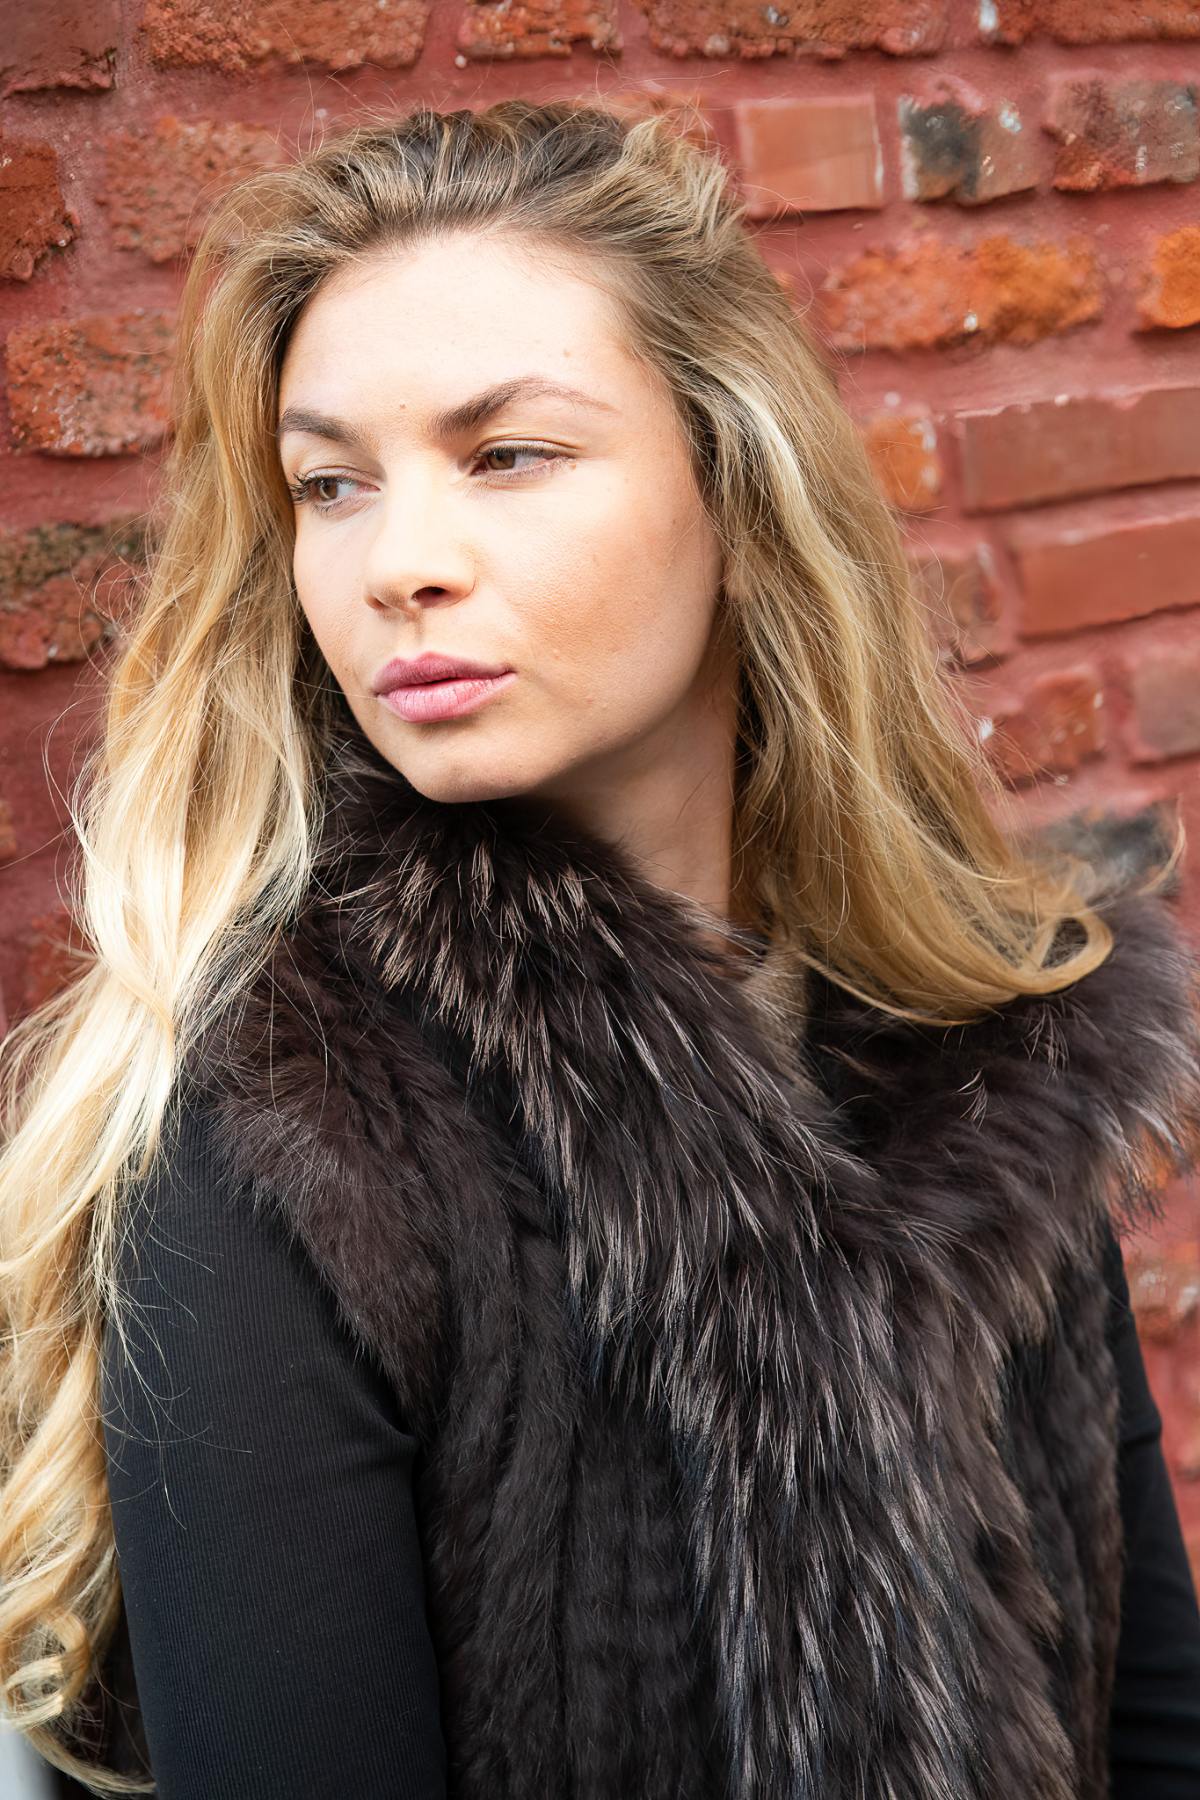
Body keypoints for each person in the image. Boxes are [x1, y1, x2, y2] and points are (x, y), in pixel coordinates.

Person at [0, 96, 1199, 1800]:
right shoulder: (286, 1136)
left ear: (738, 485)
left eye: (508, 456)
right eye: (331, 484)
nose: (399, 563)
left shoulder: (998, 1045)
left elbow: (1152, 1713)